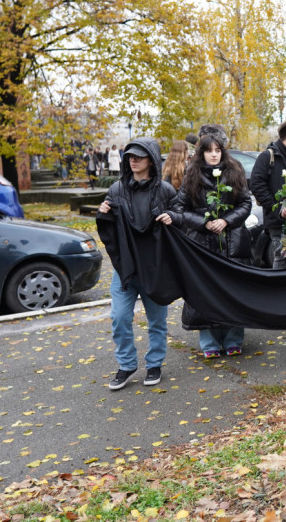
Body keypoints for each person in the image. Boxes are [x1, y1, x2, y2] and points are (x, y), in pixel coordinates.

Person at [97, 139, 178, 390]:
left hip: (154, 267)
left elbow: (182, 220)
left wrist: (173, 216)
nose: (133, 160)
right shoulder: (116, 189)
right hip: (125, 267)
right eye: (130, 156)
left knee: (157, 321)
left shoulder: (165, 191)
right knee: (119, 317)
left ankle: (154, 364)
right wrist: (103, 214)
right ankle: (126, 364)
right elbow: (109, 229)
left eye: (140, 157)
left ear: (151, 160)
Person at [168, 131, 252, 359]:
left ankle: (234, 338)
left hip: (232, 242)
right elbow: (179, 209)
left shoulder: (234, 172)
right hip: (202, 243)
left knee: (233, 291)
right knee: (205, 291)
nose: (214, 155)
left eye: (217, 150)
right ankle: (210, 342)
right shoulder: (191, 175)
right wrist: (204, 223)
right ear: (201, 152)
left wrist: (226, 220)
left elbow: (245, 203)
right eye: (209, 150)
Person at [250, 120, 286, 270]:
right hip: (278, 222)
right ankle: (279, 290)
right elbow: (256, 185)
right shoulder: (269, 156)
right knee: (282, 259)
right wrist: (275, 208)